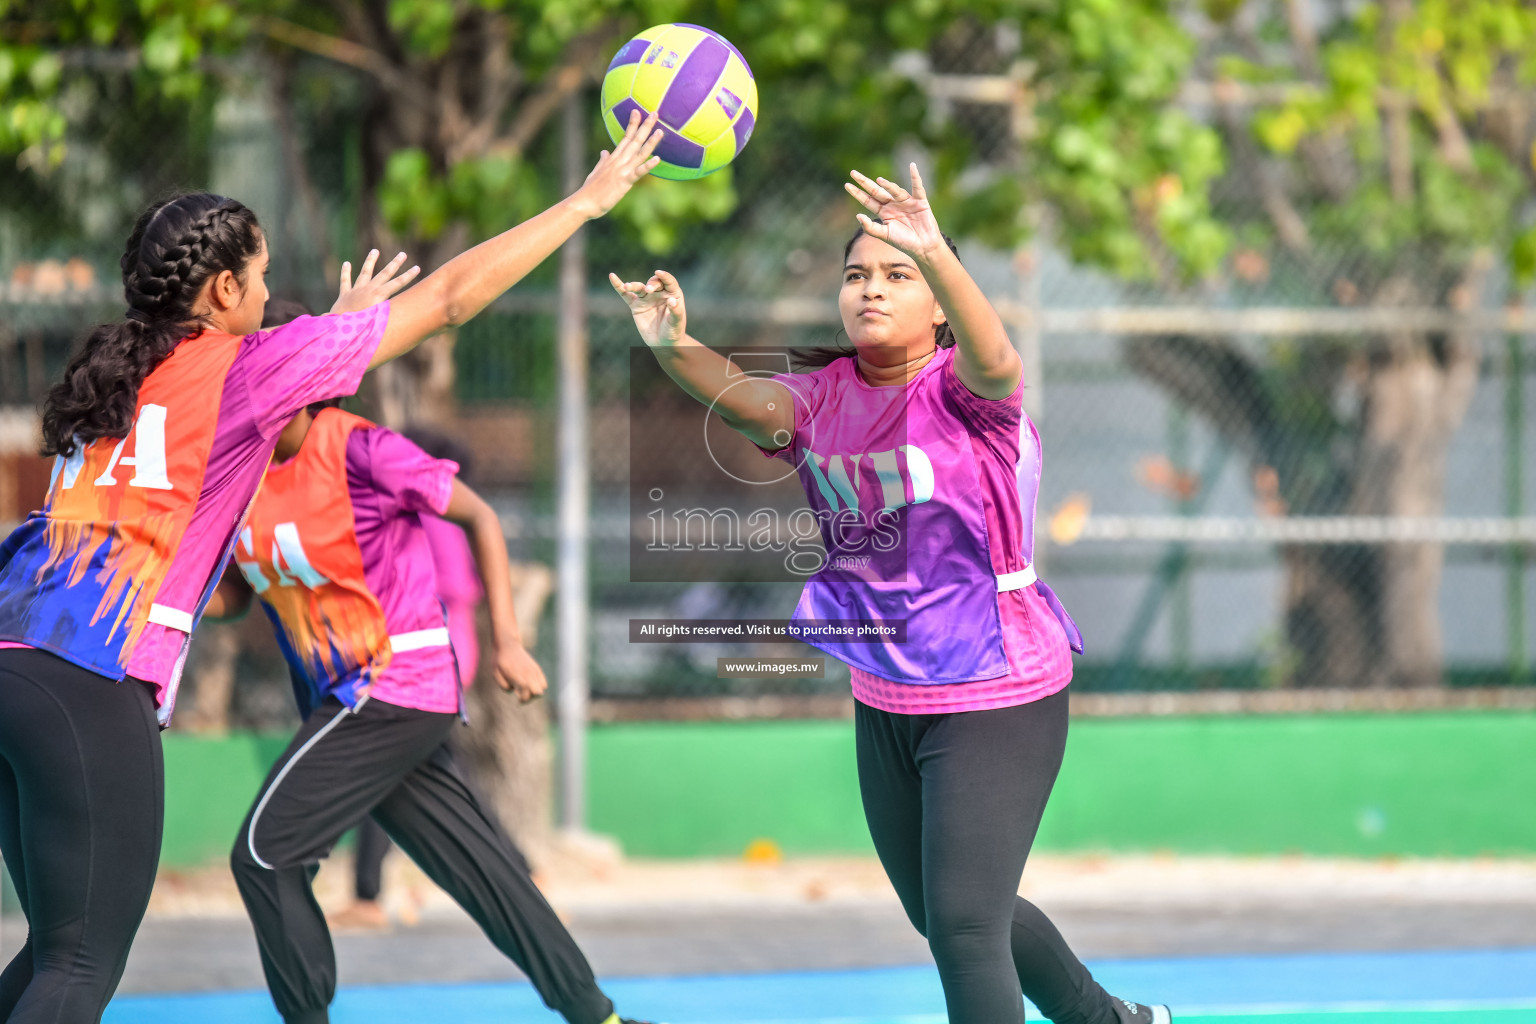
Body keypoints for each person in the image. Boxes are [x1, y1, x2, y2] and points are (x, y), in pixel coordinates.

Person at [0, 108, 666, 1023]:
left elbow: (203, 534)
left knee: (52, 953)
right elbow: (452, 299)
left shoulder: (118, 375)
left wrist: (326, 349)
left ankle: (586, 1004)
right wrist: (586, 203)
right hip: (90, 675)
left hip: (15, 653)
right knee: (80, 969)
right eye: (264, 278)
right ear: (225, 288)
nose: (272, 295)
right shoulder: (248, 366)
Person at [611, 165, 1172, 1024]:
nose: (871, 287)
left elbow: (999, 356)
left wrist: (936, 248)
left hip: (996, 685)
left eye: (897, 273)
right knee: (938, 914)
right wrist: (669, 343)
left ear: (938, 298)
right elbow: (749, 403)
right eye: (857, 274)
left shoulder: (966, 393)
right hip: (887, 687)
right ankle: (1110, 1021)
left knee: (965, 925)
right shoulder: (824, 395)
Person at [206, 398, 643, 1024]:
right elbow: (238, 595)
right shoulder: (242, 474)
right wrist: (160, 591)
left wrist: (508, 642)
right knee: (484, 873)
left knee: (265, 852)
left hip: (392, 683)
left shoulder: (360, 448)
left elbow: (480, 516)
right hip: (352, 697)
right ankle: (597, 1015)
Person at [332, 429, 484, 934]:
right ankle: (523, 871)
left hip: (431, 656)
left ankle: (369, 894)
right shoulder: (420, 513)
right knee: (434, 774)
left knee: (394, 776)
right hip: (431, 654)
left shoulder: (430, 515)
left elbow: (455, 586)